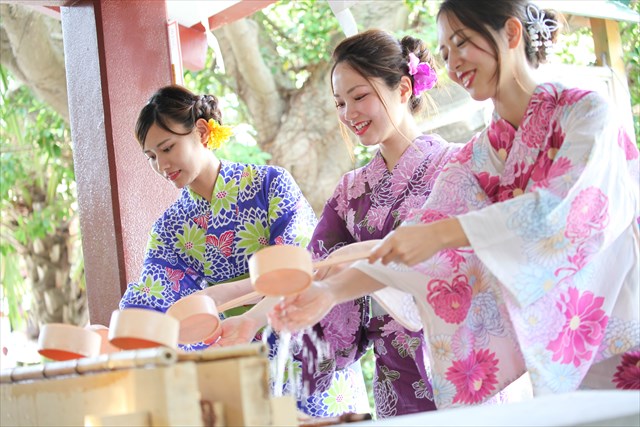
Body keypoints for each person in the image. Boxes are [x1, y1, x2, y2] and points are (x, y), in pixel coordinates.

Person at [270, 0, 640, 409]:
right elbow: (411, 245)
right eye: (445, 51)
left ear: (512, 34)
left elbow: (564, 215)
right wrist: (329, 291)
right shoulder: (480, 157)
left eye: (462, 42)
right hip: (554, 354)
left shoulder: (588, 113)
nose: (453, 62)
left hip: (620, 335)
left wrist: (441, 234)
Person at [211, 29, 460, 418]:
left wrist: (350, 258)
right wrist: (251, 321)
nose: (349, 114)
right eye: (340, 102)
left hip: (457, 361)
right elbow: (311, 269)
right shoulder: (351, 191)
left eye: (359, 96)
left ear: (404, 88)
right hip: (394, 377)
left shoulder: (455, 168)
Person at [118, 84, 317, 353]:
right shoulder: (169, 228)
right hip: (235, 349)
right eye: (151, 157)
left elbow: (301, 264)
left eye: (167, 148)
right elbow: (154, 298)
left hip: (301, 340)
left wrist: (217, 295)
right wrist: (124, 329)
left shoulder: (269, 184)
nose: (161, 165)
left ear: (201, 132)